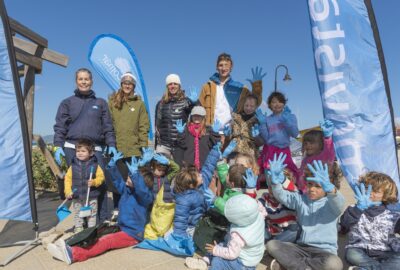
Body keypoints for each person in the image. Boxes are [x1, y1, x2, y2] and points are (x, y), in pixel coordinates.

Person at [47, 151, 154, 264]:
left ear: (141, 183)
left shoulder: (144, 198)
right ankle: (66, 246)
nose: (129, 176)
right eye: (130, 175)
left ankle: (73, 254)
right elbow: (117, 181)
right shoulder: (127, 190)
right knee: (94, 232)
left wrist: (136, 175)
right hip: (121, 228)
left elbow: (142, 190)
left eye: (132, 177)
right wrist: (113, 165)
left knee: (107, 241)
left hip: (133, 235)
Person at [53, 68, 116, 222]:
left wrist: (111, 144)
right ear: (76, 81)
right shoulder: (67, 102)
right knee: (77, 182)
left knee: (99, 183)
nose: (83, 82)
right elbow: (60, 126)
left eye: (86, 79)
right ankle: (80, 221)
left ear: (91, 81)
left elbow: (108, 126)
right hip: (72, 148)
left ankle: (102, 220)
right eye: (80, 79)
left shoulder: (100, 103)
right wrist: (57, 145)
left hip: (95, 149)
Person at [266, 154, 344, 270]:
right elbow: (283, 196)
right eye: (310, 184)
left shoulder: (331, 203)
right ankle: (305, 267)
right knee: (271, 245)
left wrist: (331, 189)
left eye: (318, 186)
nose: (312, 189)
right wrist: (276, 183)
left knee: (335, 264)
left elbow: (339, 204)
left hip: (324, 252)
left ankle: (289, 266)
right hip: (301, 248)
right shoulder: (301, 199)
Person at [340, 172, 400, 270]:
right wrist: (358, 209)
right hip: (360, 249)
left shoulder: (393, 215)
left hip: (387, 251)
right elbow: (344, 226)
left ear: (385, 195)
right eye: (368, 189)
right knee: (352, 255)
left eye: (376, 191)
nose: (371, 193)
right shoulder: (354, 209)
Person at [188, 194, 265, 270]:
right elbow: (261, 208)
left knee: (218, 261)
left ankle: (210, 263)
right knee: (222, 244)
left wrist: (216, 250)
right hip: (253, 258)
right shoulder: (259, 214)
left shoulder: (238, 235)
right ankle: (206, 260)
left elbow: (231, 254)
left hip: (242, 264)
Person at [108, 72, 150, 208]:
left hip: (134, 150)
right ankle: (117, 208)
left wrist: (143, 144)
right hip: (118, 150)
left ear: (133, 86)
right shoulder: (113, 102)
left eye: (130, 83)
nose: (127, 85)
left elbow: (143, 125)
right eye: (125, 83)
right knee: (117, 181)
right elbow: (108, 123)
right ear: (121, 84)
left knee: (134, 181)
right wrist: (109, 143)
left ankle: (134, 207)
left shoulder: (139, 104)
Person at [198, 53, 265, 128]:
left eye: (226, 65)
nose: (223, 68)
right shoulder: (207, 87)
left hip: (232, 133)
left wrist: (256, 86)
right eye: (221, 65)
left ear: (231, 67)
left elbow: (256, 103)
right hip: (210, 132)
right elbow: (199, 110)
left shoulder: (240, 88)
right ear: (217, 67)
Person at [256, 91, 299, 183]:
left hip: (285, 150)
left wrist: (287, 121)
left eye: (280, 101)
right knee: (270, 174)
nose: (277, 104)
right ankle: (272, 193)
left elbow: (294, 133)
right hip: (270, 151)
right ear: (270, 105)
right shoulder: (267, 119)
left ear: (284, 103)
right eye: (274, 102)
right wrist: (262, 124)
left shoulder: (290, 116)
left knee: (289, 172)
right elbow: (267, 139)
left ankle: (290, 190)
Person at [64, 139, 105, 233]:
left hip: (91, 195)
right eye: (78, 151)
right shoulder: (73, 166)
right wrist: (68, 191)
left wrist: (94, 182)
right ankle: (79, 228)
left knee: (91, 214)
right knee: (78, 213)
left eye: (83, 151)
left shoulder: (95, 166)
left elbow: (101, 177)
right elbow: (68, 179)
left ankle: (91, 229)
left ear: (91, 153)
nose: (80, 153)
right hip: (77, 195)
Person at [155, 74, 197, 159]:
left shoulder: (186, 101)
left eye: (175, 83)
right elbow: (157, 125)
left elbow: (197, 116)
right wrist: (156, 145)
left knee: (178, 170)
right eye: (170, 84)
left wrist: (194, 103)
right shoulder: (160, 104)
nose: (173, 86)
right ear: (167, 86)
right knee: (161, 170)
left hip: (179, 144)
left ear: (179, 86)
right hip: (163, 145)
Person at [174, 106, 220, 170]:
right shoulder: (186, 129)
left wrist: (215, 133)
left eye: (199, 115)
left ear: (203, 117)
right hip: (188, 165)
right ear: (191, 116)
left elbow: (213, 144)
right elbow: (182, 144)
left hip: (204, 165)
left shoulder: (208, 129)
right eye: (194, 115)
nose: (196, 117)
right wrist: (180, 134)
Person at [297, 119, 335, 193]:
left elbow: (329, 150)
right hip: (303, 191)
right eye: (305, 143)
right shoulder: (305, 159)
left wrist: (327, 138)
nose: (308, 145)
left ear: (321, 144)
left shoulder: (323, 157)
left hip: (317, 193)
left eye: (311, 143)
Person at [225, 94, 264, 159]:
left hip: (250, 156)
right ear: (243, 105)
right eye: (246, 105)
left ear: (256, 107)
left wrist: (256, 137)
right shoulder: (235, 118)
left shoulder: (258, 121)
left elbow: (261, 143)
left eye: (252, 106)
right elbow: (229, 139)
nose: (248, 108)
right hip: (234, 153)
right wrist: (227, 134)